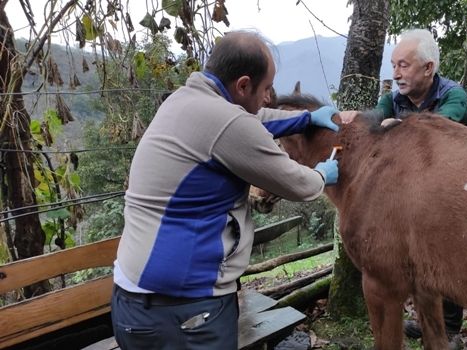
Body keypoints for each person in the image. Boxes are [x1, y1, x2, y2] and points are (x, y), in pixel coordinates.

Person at [111, 31, 345, 349]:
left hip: (133, 304)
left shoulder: (185, 100)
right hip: (185, 311)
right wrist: (322, 174)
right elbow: (296, 183)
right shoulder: (227, 123)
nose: (267, 98)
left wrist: (303, 119)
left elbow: (253, 119)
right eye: (264, 89)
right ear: (243, 85)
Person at [376, 28, 467, 348]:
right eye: (394, 65)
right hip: (411, 195)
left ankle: (451, 328)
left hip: (453, 191)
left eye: (404, 65)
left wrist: (396, 128)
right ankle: (426, 321)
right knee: (418, 260)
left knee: (449, 258)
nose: (396, 73)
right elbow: (371, 123)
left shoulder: (453, 95)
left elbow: (436, 130)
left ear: (428, 68)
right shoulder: (393, 99)